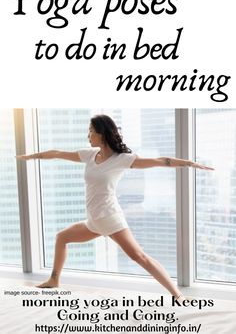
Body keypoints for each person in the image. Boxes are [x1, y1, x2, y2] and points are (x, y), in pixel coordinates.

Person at [16, 114, 214, 301]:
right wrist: (32, 156)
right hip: (93, 221)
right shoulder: (90, 155)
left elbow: (160, 161)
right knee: (62, 237)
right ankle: (54, 280)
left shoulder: (122, 159)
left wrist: (188, 163)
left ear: (102, 133)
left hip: (110, 218)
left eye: (91, 131)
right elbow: (58, 153)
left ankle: (178, 295)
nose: (88, 135)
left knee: (140, 257)